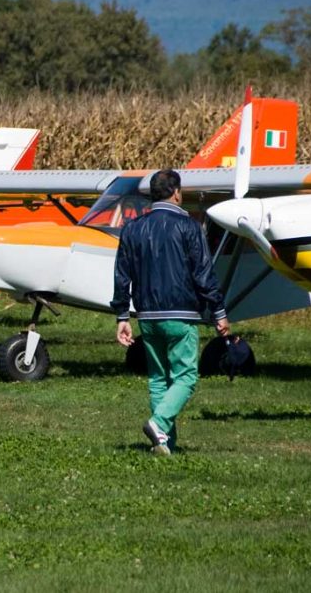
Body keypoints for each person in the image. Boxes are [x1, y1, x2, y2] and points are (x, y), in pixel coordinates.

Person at [111, 169, 230, 456]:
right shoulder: (189, 227)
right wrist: (219, 311)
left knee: (158, 379)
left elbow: (121, 275)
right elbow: (203, 273)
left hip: (148, 316)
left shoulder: (132, 228)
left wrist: (122, 317)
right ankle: (159, 422)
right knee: (186, 377)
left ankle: (163, 443)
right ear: (176, 192)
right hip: (181, 313)